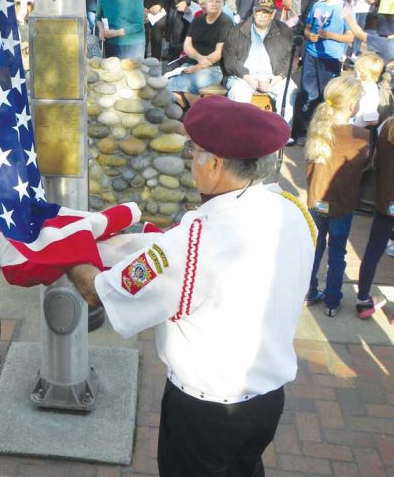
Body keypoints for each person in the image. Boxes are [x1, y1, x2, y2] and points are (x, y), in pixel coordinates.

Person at [67, 94, 314, 477]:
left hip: (207, 410)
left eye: (193, 150)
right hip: (266, 401)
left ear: (215, 165)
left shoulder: (192, 243)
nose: (189, 159)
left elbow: (98, 291)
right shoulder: (290, 210)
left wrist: (68, 249)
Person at [303, 76, 369, 317]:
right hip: (342, 205)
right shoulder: (361, 136)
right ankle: (332, 301)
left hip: (316, 200)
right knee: (337, 252)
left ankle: (308, 292)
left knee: (314, 248)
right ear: (352, 106)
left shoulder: (316, 127)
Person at [292, 0, 353, 145]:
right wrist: (309, 35)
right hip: (311, 54)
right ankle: (301, 131)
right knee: (307, 93)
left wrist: (330, 35)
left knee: (327, 96)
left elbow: (350, 37)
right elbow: (307, 28)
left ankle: (322, 132)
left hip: (331, 58)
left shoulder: (345, 8)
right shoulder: (318, 5)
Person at [224, 0, 298, 125]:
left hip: (274, 76)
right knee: (237, 91)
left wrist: (278, 78)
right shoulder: (238, 30)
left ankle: (283, 132)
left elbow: (292, 57)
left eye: (266, 12)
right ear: (253, 12)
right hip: (244, 77)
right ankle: (239, 132)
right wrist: (247, 77)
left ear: (273, 14)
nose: (262, 15)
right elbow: (230, 58)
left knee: (290, 89)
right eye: (259, 11)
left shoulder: (284, 31)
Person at [356, 114, 394, 319]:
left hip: (385, 200)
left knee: (373, 250)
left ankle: (362, 299)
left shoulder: (387, 124)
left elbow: (376, 163)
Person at [169, 0, 232, 106]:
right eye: (210, 1)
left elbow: (218, 53)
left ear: (222, 4)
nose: (213, 4)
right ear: (205, 3)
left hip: (212, 68)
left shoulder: (225, 22)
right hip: (191, 64)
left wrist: (198, 66)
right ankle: (190, 114)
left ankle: (199, 119)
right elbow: (187, 45)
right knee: (169, 85)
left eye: (217, 2)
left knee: (186, 86)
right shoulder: (198, 20)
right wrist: (198, 57)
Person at [350, 52, 384, 128]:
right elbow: (371, 120)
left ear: (358, 72)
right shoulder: (372, 91)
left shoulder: (350, 80)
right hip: (356, 128)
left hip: (345, 122)